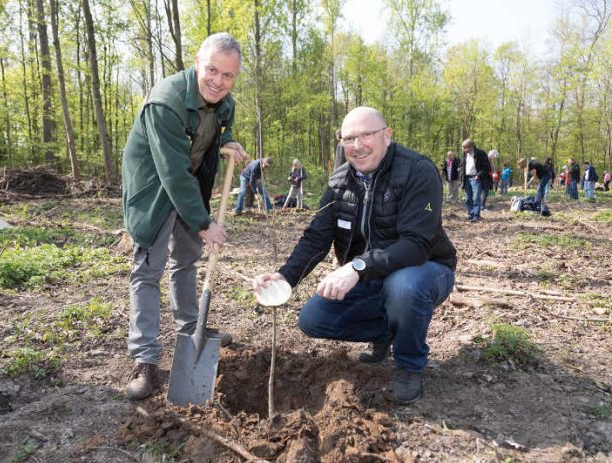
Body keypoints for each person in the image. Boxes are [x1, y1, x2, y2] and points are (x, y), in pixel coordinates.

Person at [253, 107, 456, 404]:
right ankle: (389, 331)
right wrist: (285, 276)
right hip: (370, 276)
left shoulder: (418, 171)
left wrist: (357, 267)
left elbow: (416, 244)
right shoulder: (339, 182)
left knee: (404, 287)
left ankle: (409, 364)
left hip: (424, 269)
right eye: (349, 138)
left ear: (387, 135)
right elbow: (317, 237)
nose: (357, 145)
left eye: (366, 135)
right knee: (313, 319)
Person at [121, 32, 247, 401]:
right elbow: (171, 172)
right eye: (212, 70)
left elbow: (211, 135)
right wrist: (204, 222)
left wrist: (228, 141)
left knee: (187, 260)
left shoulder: (224, 103)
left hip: (189, 186)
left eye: (228, 76)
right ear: (197, 64)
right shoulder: (167, 102)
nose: (218, 81)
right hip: (154, 189)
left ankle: (192, 328)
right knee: (148, 269)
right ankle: (144, 359)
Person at [460, 139, 490, 222]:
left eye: (465, 148)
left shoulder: (480, 153)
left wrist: (478, 175)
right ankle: (471, 214)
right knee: (468, 198)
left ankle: (476, 216)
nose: (464, 150)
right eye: (463, 148)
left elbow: (486, 167)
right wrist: (461, 176)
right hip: (466, 178)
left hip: (476, 179)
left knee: (476, 197)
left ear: (471, 147)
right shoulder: (464, 154)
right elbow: (462, 166)